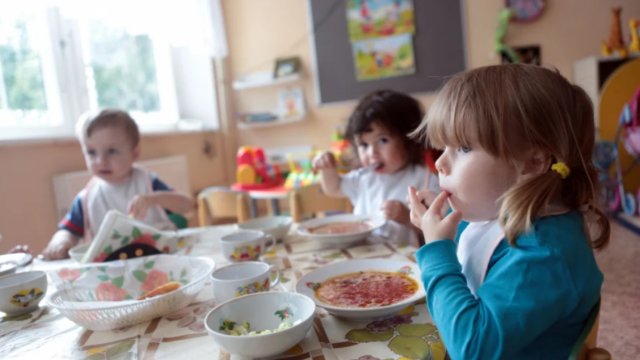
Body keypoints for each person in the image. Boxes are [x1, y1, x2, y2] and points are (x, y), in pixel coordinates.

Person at [407, 64, 608, 359]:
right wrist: (444, 220)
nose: (440, 163)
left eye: (462, 148)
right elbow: (486, 242)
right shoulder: (527, 216)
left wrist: (437, 250)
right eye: (444, 147)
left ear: (533, 163)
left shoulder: (542, 255)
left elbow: (471, 348)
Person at [42, 109, 193, 260]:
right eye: (91, 152)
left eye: (112, 151)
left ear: (134, 154)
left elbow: (187, 205)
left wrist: (154, 199)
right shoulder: (86, 198)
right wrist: (60, 241)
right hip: (112, 270)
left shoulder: (147, 182)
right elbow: (69, 231)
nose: (101, 161)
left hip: (159, 259)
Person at [314, 90, 439, 245]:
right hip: (362, 255)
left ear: (410, 139)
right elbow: (333, 188)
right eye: (364, 145)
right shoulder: (364, 177)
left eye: (382, 140)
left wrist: (407, 218)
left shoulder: (426, 181)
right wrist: (326, 168)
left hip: (404, 262)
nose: (372, 152)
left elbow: (438, 231)